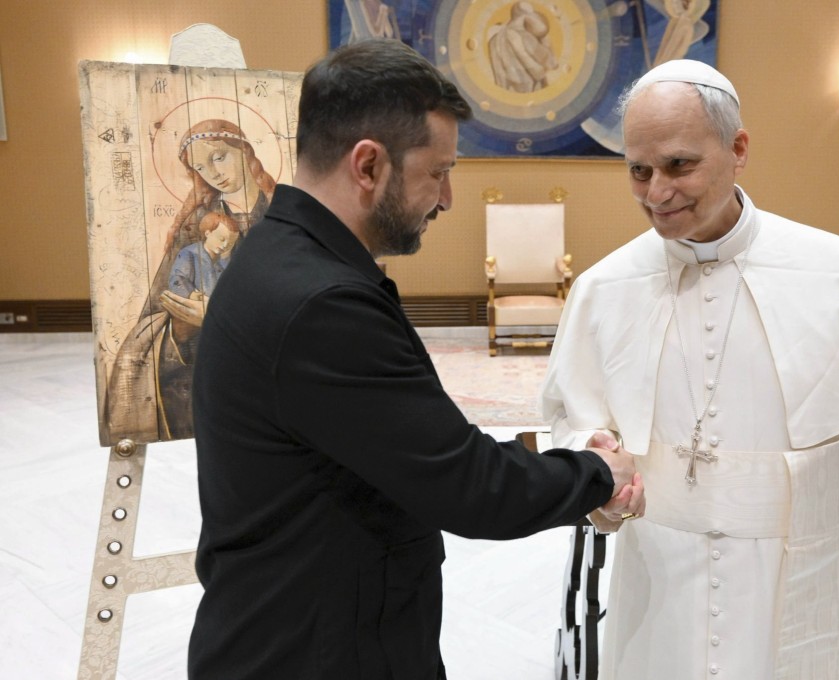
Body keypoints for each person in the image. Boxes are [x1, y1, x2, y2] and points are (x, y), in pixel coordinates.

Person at [187, 39, 644, 680]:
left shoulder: (278, 255)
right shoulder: (323, 303)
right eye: (438, 171)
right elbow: (470, 487)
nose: (449, 197)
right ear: (368, 165)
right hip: (316, 652)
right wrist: (598, 471)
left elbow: (401, 442)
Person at [540, 59, 839, 679]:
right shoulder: (603, 288)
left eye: (680, 165)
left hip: (807, 571)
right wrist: (598, 476)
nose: (656, 193)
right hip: (661, 576)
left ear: (738, 148)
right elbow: (572, 427)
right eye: (638, 171)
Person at [102, 119, 276, 444]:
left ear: (245, 150)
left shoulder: (283, 214)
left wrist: (221, 316)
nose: (213, 173)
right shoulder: (195, 225)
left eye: (219, 157)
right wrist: (182, 327)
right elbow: (158, 312)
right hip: (211, 367)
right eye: (200, 167)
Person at [168, 211, 239, 300]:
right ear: (208, 233)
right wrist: (191, 294)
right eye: (221, 239)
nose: (225, 245)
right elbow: (176, 279)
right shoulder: (189, 253)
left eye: (230, 243)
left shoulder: (228, 259)